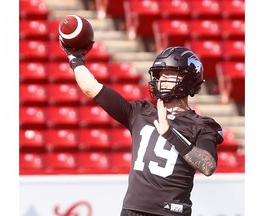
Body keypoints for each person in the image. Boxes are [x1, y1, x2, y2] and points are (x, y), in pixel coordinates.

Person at [59, 37, 224, 216]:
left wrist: (170, 133)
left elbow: (208, 166)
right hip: (133, 211)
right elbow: (92, 88)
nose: (162, 79)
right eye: (161, 74)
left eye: (170, 73)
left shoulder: (201, 125)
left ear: (188, 79)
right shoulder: (141, 113)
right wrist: (74, 58)